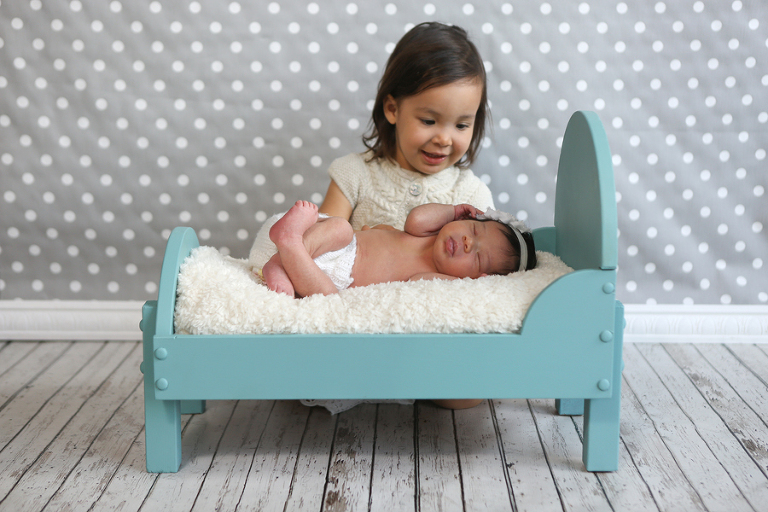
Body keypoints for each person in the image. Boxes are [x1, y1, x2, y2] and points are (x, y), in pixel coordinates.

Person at [317, 21, 494, 229]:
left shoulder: (473, 196)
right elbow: (319, 248)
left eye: (462, 125)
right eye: (429, 121)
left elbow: (486, 259)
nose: (444, 139)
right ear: (393, 109)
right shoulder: (353, 175)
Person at [262, 200, 536, 299]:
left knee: (328, 297)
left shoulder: (432, 277)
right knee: (341, 228)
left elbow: (426, 287)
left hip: (335, 277)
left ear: (477, 279)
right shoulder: (424, 233)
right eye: (475, 231)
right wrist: (452, 210)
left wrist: (469, 284)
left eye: (477, 256)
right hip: (335, 244)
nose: (467, 242)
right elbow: (416, 217)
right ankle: (290, 245)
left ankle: (287, 254)